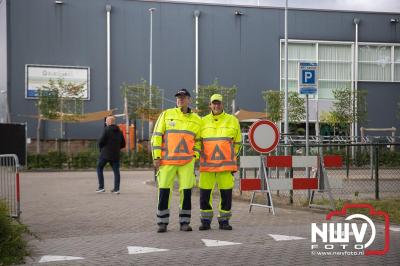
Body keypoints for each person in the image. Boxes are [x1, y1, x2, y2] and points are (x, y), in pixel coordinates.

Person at [151, 88, 201, 233]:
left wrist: (195, 156)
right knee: (164, 191)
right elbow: (157, 135)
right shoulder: (166, 114)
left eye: (183, 97)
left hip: (187, 163)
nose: (180, 99)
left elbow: (198, 141)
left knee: (186, 192)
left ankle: (184, 222)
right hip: (167, 161)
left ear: (189, 100)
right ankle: (162, 222)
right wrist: (156, 156)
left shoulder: (197, 120)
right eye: (178, 97)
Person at [198, 94, 241, 230]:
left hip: (225, 166)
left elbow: (238, 142)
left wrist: (231, 158)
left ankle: (224, 221)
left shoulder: (232, 120)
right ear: (210, 105)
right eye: (213, 103)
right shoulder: (202, 121)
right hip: (207, 166)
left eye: (218, 103)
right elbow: (198, 143)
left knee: (226, 195)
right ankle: (205, 221)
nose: (216, 106)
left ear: (223, 105)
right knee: (205, 195)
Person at [96, 115, 126, 194]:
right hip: (115, 155)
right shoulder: (119, 131)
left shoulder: (106, 130)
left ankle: (101, 187)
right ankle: (116, 189)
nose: (105, 122)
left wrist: (101, 148)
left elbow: (101, 141)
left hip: (105, 154)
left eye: (106, 121)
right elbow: (123, 144)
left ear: (109, 122)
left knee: (99, 168)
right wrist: (116, 148)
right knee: (116, 171)